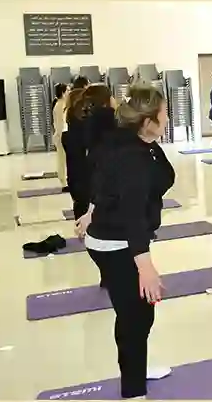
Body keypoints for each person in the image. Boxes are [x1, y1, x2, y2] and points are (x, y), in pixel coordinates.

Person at [75, 84, 175, 399]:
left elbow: (104, 181)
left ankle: (138, 367)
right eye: (164, 115)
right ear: (148, 122)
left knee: (140, 312)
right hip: (117, 245)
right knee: (134, 317)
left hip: (110, 238)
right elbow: (132, 214)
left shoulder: (135, 143)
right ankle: (133, 390)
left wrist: (92, 211)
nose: (168, 119)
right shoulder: (134, 157)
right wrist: (145, 267)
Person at [65, 83, 117, 223]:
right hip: (97, 185)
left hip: (80, 183)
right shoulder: (107, 121)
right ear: (105, 100)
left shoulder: (78, 122)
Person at [63, 75, 90, 220]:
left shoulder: (72, 129)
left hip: (75, 178)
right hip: (82, 179)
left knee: (80, 203)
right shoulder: (83, 130)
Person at [52, 83, 69, 191]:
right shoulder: (59, 105)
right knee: (62, 160)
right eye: (67, 90)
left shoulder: (63, 104)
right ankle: (63, 182)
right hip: (61, 135)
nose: (69, 92)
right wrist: (60, 137)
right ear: (63, 93)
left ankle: (65, 180)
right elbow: (59, 124)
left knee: (65, 160)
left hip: (63, 134)